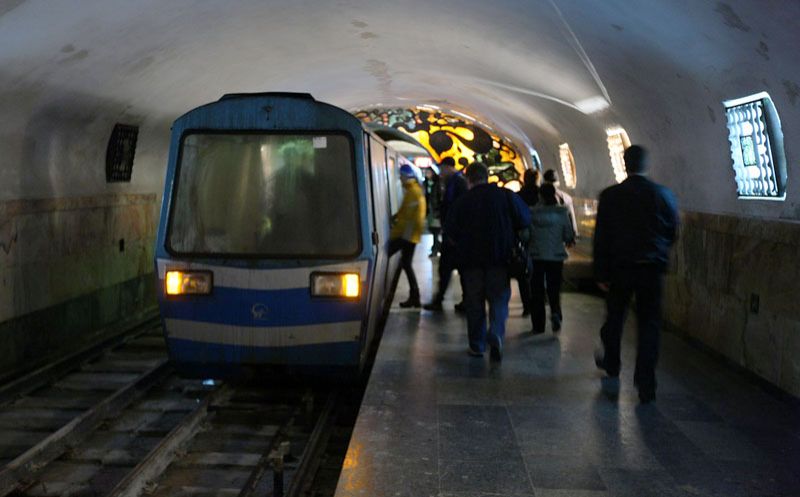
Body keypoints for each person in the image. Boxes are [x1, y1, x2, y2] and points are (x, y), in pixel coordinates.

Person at [593, 145, 679, 403]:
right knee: (649, 325)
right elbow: (672, 231)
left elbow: (602, 236)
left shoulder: (610, 196)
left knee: (615, 317)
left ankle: (612, 362)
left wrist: (601, 272)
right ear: (647, 165)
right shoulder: (663, 195)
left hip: (620, 267)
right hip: (651, 268)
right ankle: (646, 383)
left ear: (625, 164)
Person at [445, 162, 531, 361]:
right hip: (500, 260)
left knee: (474, 303)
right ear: (487, 176)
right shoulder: (506, 196)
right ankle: (497, 334)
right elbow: (525, 219)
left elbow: (450, 231)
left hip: (471, 262)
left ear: (469, 179)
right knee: (499, 300)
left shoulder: (462, 201)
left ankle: (477, 345)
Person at [528, 183, 575, 334]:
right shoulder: (562, 213)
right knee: (554, 288)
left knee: (537, 291)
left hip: (536, 256)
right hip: (556, 256)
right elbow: (568, 235)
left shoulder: (532, 213)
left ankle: (538, 325)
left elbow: (526, 235)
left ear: (540, 196)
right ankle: (555, 313)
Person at [423, 157, 468, 312]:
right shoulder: (452, 182)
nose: (440, 172)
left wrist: (453, 233)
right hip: (452, 235)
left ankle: (444, 300)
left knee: (451, 269)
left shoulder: (458, 183)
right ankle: (445, 300)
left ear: (449, 167)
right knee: (449, 269)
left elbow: (457, 209)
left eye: (442, 168)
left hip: (456, 236)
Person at [389, 163, 427, 308]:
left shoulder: (412, 193)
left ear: (406, 176)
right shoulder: (414, 191)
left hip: (408, 236)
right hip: (411, 235)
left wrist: (394, 235)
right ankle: (414, 297)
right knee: (406, 264)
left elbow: (408, 219)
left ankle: (415, 297)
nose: (400, 178)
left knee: (401, 261)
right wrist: (396, 216)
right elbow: (404, 212)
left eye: (401, 176)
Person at [514, 168, 541, 316]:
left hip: (522, 238)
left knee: (523, 272)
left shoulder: (518, 196)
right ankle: (539, 301)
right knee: (538, 272)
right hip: (540, 238)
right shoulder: (542, 194)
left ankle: (527, 305)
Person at [543, 169, 579, 238]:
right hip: (559, 234)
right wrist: (574, 233)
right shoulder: (566, 197)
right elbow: (571, 217)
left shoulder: (539, 196)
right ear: (557, 180)